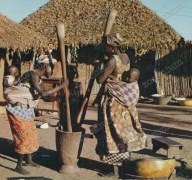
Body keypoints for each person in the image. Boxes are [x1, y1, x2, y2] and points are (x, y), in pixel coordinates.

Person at [93, 33, 146, 177]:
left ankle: (115, 171)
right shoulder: (126, 58)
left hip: (113, 103)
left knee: (111, 133)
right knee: (123, 134)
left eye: (105, 46)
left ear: (111, 46)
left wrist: (99, 66)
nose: (103, 48)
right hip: (124, 105)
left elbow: (99, 79)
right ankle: (124, 167)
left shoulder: (112, 60)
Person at [4, 60, 68, 175]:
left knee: (31, 134)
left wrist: (59, 98)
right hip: (16, 109)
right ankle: (18, 166)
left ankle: (29, 160)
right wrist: (61, 86)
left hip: (26, 110)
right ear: (46, 66)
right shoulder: (32, 74)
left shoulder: (39, 79)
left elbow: (45, 98)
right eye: (51, 68)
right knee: (23, 136)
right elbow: (43, 94)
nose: (52, 72)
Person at [60, 65, 83, 131]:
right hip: (65, 108)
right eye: (69, 73)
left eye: (73, 73)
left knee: (74, 125)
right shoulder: (63, 85)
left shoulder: (78, 85)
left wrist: (81, 111)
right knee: (65, 125)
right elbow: (61, 99)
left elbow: (81, 98)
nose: (71, 75)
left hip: (75, 108)